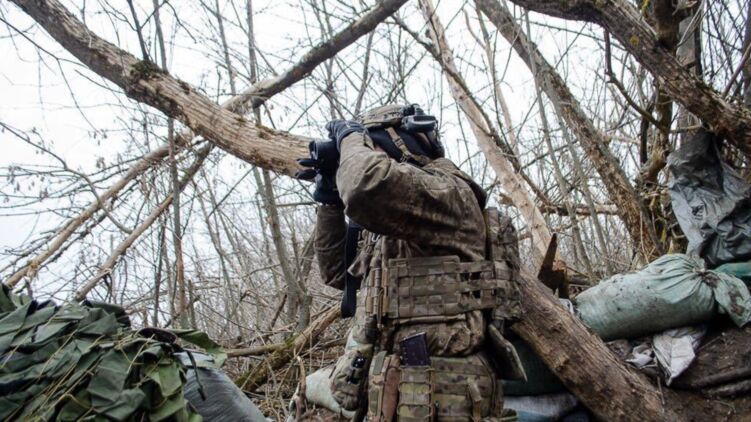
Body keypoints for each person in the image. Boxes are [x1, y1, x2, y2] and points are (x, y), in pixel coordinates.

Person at [299, 104, 522, 421]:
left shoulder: (448, 192)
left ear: (399, 144)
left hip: (447, 390)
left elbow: (364, 185)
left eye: (371, 148)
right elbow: (338, 273)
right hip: (398, 385)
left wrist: (350, 136)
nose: (363, 155)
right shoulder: (395, 229)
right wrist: (329, 201)